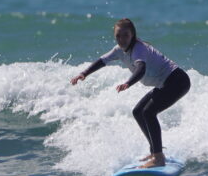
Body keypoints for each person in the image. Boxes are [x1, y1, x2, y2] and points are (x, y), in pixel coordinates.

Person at [70, 18, 191, 168]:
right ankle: (155, 152)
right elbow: (102, 60)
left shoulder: (139, 49)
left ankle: (158, 157)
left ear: (132, 34)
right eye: (118, 36)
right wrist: (84, 74)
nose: (122, 39)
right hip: (165, 83)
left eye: (125, 35)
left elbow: (141, 69)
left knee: (148, 112)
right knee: (138, 111)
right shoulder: (119, 50)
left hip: (177, 81)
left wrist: (128, 83)